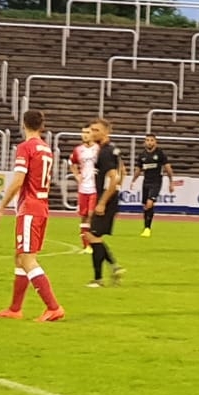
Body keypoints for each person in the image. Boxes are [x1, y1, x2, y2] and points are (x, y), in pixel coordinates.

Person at [0, 109, 65, 322]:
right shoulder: (46, 149)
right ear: (42, 126)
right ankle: (14, 309)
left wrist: (0, 209)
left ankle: (53, 307)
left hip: (30, 208)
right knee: (19, 257)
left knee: (27, 259)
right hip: (41, 206)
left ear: (23, 124)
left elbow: (19, 180)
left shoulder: (26, 147)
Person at [86, 117, 127, 287]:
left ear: (106, 132)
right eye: (92, 130)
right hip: (110, 196)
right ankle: (115, 267)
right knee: (94, 235)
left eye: (96, 130)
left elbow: (114, 177)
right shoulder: (112, 149)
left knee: (92, 236)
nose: (93, 133)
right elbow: (123, 171)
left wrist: (103, 201)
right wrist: (116, 189)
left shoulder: (105, 152)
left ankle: (99, 279)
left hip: (106, 198)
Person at [133, 134, 174, 237]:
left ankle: (147, 228)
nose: (149, 142)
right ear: (144, 142)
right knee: (145, 206)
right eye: (147, 140)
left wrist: (171, 182)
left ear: (155, 142)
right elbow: (138, 169)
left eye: (151, 140)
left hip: (156, 182)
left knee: (150, 202)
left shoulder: (160, 153)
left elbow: (168, 168)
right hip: (146, 182)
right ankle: (146, 227)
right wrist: (133, 180)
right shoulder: (142, 155)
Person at [69, 127, 99, 252]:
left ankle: (92, 244)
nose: (85, 135)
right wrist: (76, 175)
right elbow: (72, 163)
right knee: (83, 215)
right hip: (83, 188)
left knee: (91, 215)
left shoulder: (98, 149)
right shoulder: (78, 150)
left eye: (87, 132)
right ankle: (86, 245)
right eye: (83, 132)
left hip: (95, 188)